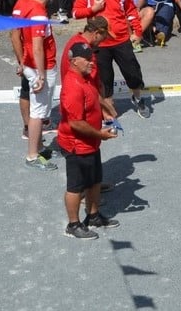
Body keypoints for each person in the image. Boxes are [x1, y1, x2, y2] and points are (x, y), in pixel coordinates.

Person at [72, 0, 150, 118]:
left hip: (121, 40)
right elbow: (75, 13)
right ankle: (109, 112)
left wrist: (138, 32)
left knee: (133, 73)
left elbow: (131, 12)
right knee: (104, 79)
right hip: (99, 44)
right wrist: (93, 9)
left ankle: (137, 98)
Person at [58, 42, 120, 240]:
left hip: (90, 142)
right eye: (87, 58)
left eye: (92, 57)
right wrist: (100, 133)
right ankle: (73, 224)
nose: (92, 61)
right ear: (74, 61)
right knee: (75, 187)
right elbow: (76, 123)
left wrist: (106, 110)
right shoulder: (73, 86)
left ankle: (93, 217)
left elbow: (94, 96)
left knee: (94, 181)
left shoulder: (83, 78)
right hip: (77, 145)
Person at [10, 0, 58, 171]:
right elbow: (38, 47)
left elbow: (15, 35)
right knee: (38, 112)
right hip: (42, 65)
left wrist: (21, 61)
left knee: (38, 109)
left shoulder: (24, 4)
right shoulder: (38, 13)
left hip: (29, 62)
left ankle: (38, 147)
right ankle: (32, 155)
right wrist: (41, 76)